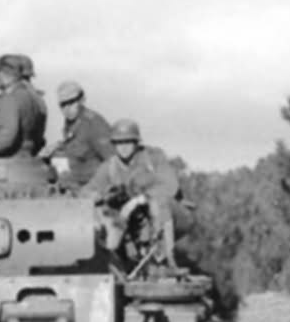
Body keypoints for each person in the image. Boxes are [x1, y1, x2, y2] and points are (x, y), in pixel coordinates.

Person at [81, 119, 191, 268]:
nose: (123, 147)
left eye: (128, 142)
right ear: (113, 145)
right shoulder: (110, 167)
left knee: (159, 202)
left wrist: (139, 200)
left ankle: (165, 260)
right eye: (119, 143)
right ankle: (124, 262)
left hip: (172, 215)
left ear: (136, 142)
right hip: (136, 223)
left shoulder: (153, 158)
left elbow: (170, 186)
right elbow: (87, 192)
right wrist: (99, 196)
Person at [0, 54, 47, 167]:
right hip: (29, 163)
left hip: (9, 165)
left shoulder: (11, 99)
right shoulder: (36, 99)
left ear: (2, 74)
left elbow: (6, 135)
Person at [42, 80, 114, 188]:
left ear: (81, 100)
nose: (66, 109)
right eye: (63, 105)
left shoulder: (94, 124)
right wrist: (58, 146)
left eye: (71, 102)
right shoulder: (71, 123)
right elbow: (78, 146)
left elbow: (112, 160)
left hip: (91, 184)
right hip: (74, 182)